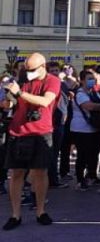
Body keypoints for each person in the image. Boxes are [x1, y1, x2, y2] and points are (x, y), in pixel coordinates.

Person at [1, 53, 60, 230]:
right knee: (17, 173)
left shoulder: (52, 81)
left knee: (40, 173)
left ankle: (40, 211)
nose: (28, 73)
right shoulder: (21, 79)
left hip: (41, 132)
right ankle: (15, 214)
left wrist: (20, 93)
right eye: (27, 69)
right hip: (18, 131)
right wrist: (8, 99)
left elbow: (45, 100)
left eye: (32, 70)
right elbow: (9, 105)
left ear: (43, 67)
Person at [72, 69, 100, 190]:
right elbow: (89, 106)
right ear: (82, 81)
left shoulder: (94, 93)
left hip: (94, 128)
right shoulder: (80, 93)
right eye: (89, 79)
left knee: (94, 153)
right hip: (81, 129)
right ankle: (80, 179)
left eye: (93, 78)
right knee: (82, 155)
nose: (92, 81)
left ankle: (92, 175)